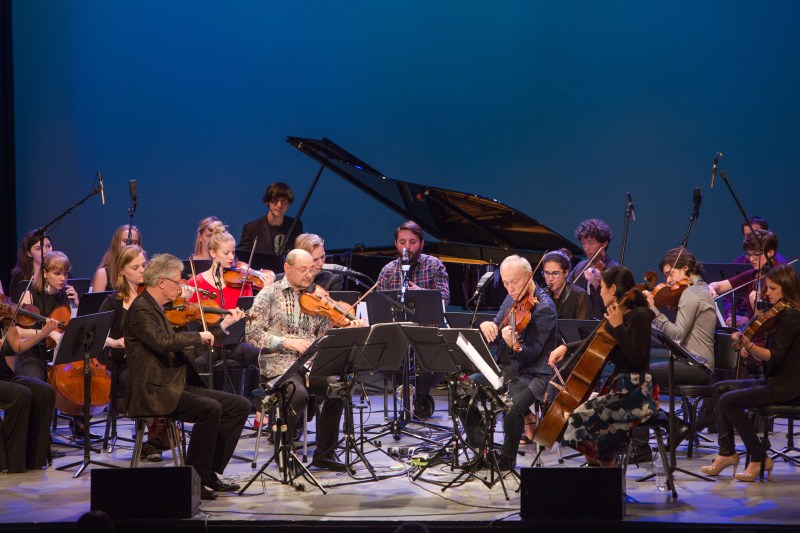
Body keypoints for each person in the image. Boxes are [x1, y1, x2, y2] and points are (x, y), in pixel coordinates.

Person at [123, 253, 250, 500]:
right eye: (177, 282)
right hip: (155, 390)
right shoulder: (141, 309)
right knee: (210, 409)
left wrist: (221, 328)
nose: (182, 287)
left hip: (175, 384)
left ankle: (209, 473)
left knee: (239, 406)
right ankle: (193, 480)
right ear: (161, 282)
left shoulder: (159, 309)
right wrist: (197, 336)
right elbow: (162, 342)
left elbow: (186, 347)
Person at [245, 249, 366, 472]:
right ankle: (287, 450)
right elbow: (252, 333)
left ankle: (325, 454)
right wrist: (285, 342)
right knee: (297, 395)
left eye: (311, 269)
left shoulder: (316, 295)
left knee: (339, 388)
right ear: (287, 268)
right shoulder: (269, 295)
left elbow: (323, 332)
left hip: (311, 363)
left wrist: (348, 324)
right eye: (303, 270)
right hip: (279, 364)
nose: (309, 275)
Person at [700, 264, 800, 481]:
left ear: (787, 288)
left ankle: (758, 457)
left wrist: (750, 345)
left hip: (788, 387)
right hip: (775, 380)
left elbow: (775, 356)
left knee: (728, 401)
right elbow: (768, 360)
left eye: (772, 289)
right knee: (718, 388)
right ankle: (726, 453)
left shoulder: (792, 316)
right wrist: (750, 351)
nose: (767, 293)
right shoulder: (780, 314)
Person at [550, 266, 658, 466]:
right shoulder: (616, 315)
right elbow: (595, 341)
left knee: (579, 418)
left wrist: (618, 326)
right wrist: (566, 347)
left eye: (601, 288)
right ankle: (599, 469)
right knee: (578, 421)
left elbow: (635, 359)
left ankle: (607, 468)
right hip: (619, 386)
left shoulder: (640, 316)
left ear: (613, 288)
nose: (599, 293)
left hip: (638, 391)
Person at [463, 255, 557, 470]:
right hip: (505, 369)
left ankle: (506, 459)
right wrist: (487, 325)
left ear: (529, 276)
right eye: (505, 282)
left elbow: (533, 353)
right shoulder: (510, 298)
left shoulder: (544, 309)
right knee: (462, 388)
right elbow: (496, 327)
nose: (510, 288)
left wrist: (515, 344)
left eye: (514, 281)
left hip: (533, 374)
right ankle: (482, 448)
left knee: (512, 406)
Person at [630, 248, 717, 462]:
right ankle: (673, 426)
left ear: (685, 268)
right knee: (640, 376)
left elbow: (677, 335)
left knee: (638, 378)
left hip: (697, 366)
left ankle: (644, 445)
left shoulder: (692, 293)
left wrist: (653, 311)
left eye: (670, 273)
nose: (668, 281)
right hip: (689, 362)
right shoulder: (697, 290)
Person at [376, 220, 450, 419]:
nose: (406, 247)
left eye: (412, 242)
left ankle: (417, 392)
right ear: (396, 244)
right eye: (402, 242)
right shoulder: (388, 270)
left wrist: (422, 294)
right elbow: (378, 304)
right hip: (397, 335)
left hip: (428, 333)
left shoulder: (434, 265)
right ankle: (410, 390)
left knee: (445, 358)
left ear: (421, 244)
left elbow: (444, 298)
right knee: (374, 356)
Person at [520, 249, 590, 444]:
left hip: (569, 354)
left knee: (549, 376)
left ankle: (551, 429)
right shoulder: (540, 297)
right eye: (546, 273)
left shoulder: (580, 296)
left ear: (566, 273)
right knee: (515, 371)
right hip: (545, 352)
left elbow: (582, 334)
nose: (550, 279)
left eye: (555, 274)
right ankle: (529, 420)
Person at [0, 318, 59, 473]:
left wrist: (45, 333)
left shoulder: (4, 320)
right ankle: (12, 462)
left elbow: (18, 347)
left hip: (4, 376)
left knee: (45, 392)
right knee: (21, 394)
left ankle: (34, 459)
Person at [710, 229, 784, 329]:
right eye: (749, 254)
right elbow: (720, 285)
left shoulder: (780, 278)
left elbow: (773, 324)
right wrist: (711, 287)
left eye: (756, 254)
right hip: (753, 338)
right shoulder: (753, 275)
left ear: (770, 252)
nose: (751, 259)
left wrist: (755, 307)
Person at [566, 219, 618, 320]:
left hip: (601, 325)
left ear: (604, 243)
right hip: (578, 322)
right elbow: (567, 289)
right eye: (583, 243)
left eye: (590, 243)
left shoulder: (613, 269)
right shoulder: (581, 266)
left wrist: (596, 285)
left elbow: (613, 306)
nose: (586, 248)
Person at [239, 182, 303, 256]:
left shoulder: (296, 225)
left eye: (284, 201)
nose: (279, 205)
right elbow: (242, 256)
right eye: (275, 200)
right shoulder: (251, 228)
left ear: (289, 204)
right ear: (267, 201)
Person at [91, 225, 142, 293]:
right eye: (125, 241)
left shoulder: (142, 272)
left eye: (134, 242)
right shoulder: (103, 273)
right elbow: (96, 303)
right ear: (117, 243)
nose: (129, 245)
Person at [8, 229, 54, 302]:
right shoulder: (19, 276)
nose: (45, 251)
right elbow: (14, 305)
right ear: (29, 253)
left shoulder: (61, 272)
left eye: (48, 246)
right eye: (39, 249)